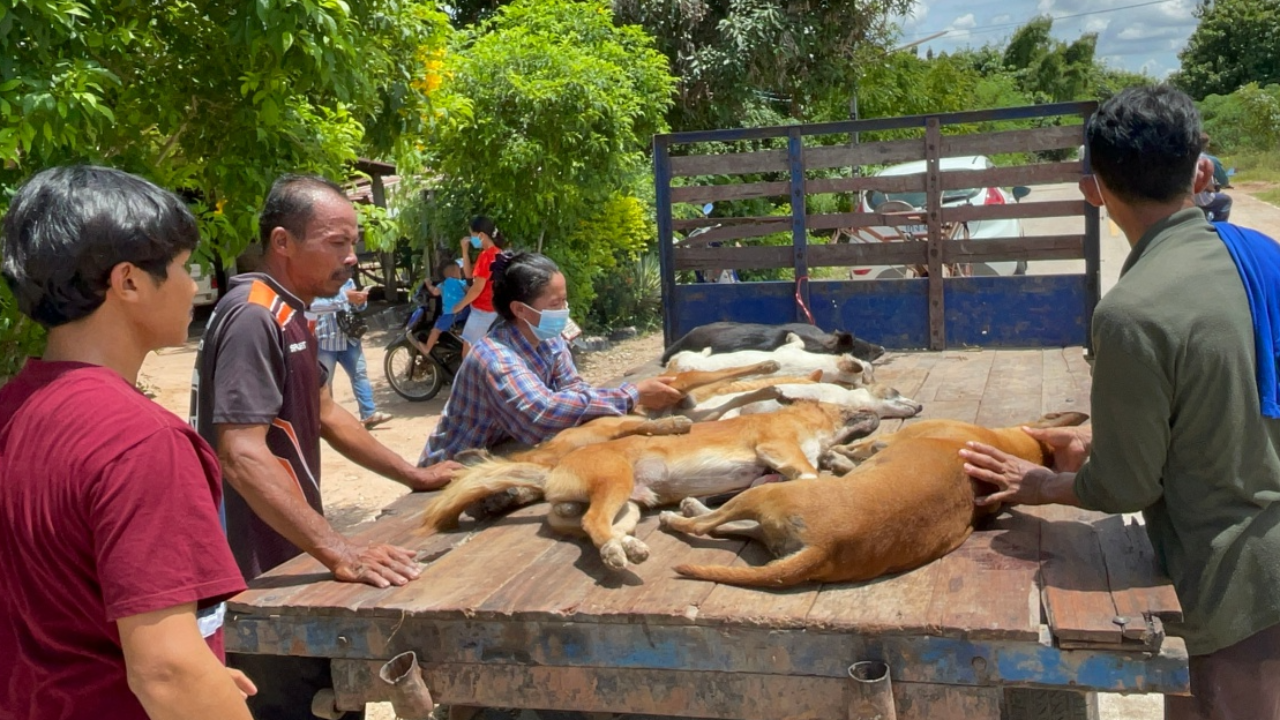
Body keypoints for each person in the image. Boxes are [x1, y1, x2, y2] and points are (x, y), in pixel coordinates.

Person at [958, 85, 1280, 720]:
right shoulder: (1263, 256)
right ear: (1202, 170)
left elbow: (1128, 485)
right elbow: (1228, 403)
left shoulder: (1132, 313)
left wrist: (1043, 484)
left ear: (1094, 191)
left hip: (1234, 586)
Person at [190, 173, 462, 719]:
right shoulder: (253, 315)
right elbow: (240, 453)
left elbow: (327, 414)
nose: (351, 257)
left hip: (287, 553)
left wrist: (416, 476)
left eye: (353, 243)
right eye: (337, 243)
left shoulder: (291, 310)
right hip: (252, 573)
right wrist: (339, 550)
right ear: (283, 242)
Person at [0, 166, 253, 719]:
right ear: (129, 282)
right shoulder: (141, 441)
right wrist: (193, 679)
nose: (193, 286)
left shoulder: (13, 412)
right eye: (185, 268)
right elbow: (166, 672)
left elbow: (51, 609)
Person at [420, 251, 683, 465]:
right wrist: (631, 395)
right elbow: (541, 414)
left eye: (564, 301)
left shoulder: (550, 339)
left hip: (503, 455)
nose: (564, 311)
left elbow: (573, 388)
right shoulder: (494, 357)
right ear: (520, 310)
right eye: (555, 304)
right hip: (450, 471)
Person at [311, 277, 392, 428]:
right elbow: (314, 305)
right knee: (325, 383)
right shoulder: (315, 281)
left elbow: (356, 308)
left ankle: (369, 414)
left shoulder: (347, 281)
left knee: (359, 375)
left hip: (349, 338)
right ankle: (326, 420)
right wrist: (345, 297)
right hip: (325, 340)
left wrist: (360, 302)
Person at [455, 215, 503, 355]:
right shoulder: (496, 253)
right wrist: (464, 251)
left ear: (481, 235)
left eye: (472, 234)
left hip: (482, 312)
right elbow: (470, 275)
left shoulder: (487, 256)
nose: (471, 238)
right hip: (492, 310)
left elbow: (476, 289)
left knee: (468, 357)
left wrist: (460, 305)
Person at [412, 257, 470, 357]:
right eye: (459, 272)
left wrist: (428, 284)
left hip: (450, 314)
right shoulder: (461, 283)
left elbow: (434, 292)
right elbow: (469, 290)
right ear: (455, 273)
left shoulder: (442, 285)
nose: (461, 274)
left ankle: (427, 348)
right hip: (465, 312)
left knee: (436, 330)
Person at [1193, 133, 1233, 222]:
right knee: (1226, 200)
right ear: (1206, 145)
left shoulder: (1186, 157)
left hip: (1187, 198)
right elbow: (1222, 181)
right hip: (1202, 199)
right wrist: (1223, 184)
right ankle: (1220, 225)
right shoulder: (1210, 160)